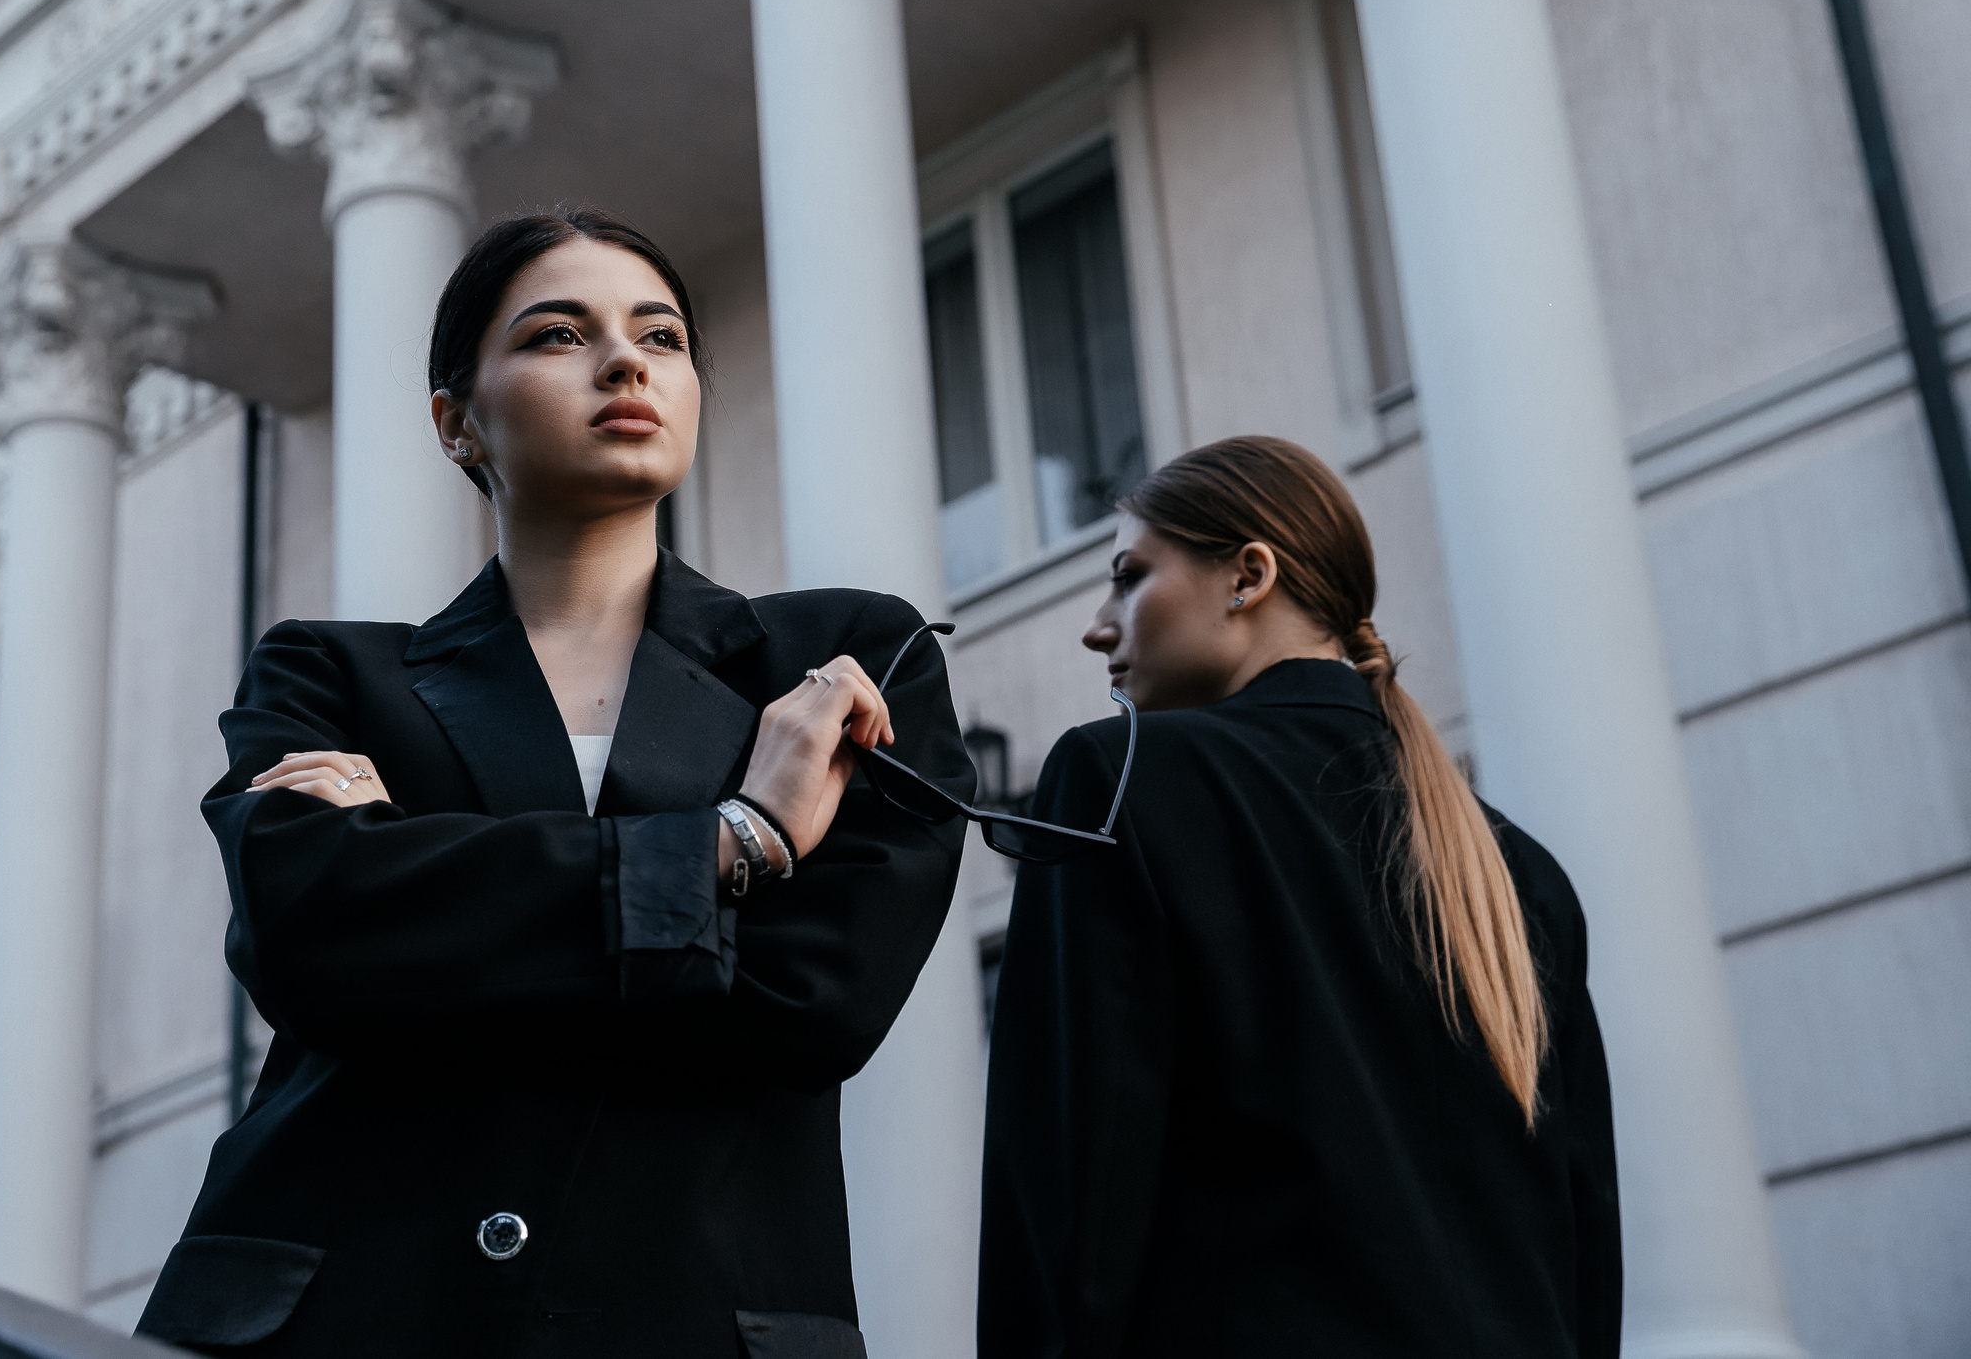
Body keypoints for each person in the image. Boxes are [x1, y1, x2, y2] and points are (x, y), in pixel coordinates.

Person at [137, 208, 974, 1359]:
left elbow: (813, 999)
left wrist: (420, 909)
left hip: (689, 1323)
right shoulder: (327, 672)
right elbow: (307, 937)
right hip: (350, 1312)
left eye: (661, 336)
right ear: (456, 422)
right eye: (557, 334)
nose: (625, 361)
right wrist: (733, 841)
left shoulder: (837, 667)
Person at [979, 436, 1620, 1358]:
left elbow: (1070, 1200)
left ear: (1249, 575)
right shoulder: (1520, 870)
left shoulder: (1120, 782)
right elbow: (1584, 1238)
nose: (1098, 626)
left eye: (1129, 578)